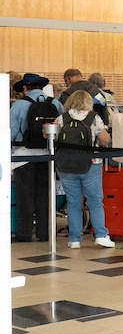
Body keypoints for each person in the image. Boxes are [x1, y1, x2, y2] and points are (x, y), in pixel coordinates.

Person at [54, 89, 115, 249]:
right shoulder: (93, 118)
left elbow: (50, 136)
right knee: (95, 201)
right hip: (90, 164)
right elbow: (104, 140)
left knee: (73, 202)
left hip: (66, 165)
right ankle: (101, 235)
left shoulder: (62, 118)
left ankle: (74, 239)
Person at [10, 73, 63, 242]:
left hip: (23, 156)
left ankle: (24, 233)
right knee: (44, 195)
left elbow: (11, 130)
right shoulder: (55, 103)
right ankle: (45, 232)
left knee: (24, 195)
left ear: (25, 88)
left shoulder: (18, 105)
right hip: (48, 154)